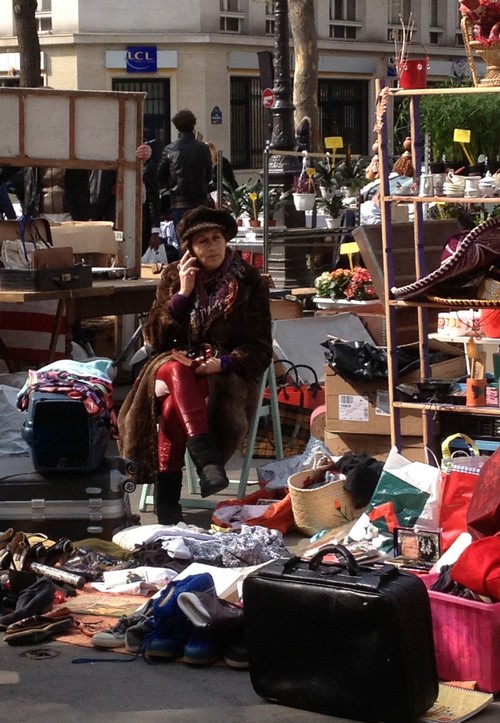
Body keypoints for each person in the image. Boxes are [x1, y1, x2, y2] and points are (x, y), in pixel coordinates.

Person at [117, 206, 273, 524]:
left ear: (227, 240)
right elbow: (156, 338)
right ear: (190, 249)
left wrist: (225, 363)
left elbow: (260, 347)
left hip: (221, 370)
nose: (212, 245)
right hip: (171, 360)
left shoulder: (249, 279)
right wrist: (184, 294)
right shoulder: (174, 275)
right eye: (202, 241)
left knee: (174, 407)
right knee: (176, 370)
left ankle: (168, 501)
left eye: (217, 238)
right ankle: (207, 462)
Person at [157, 109, 213, 228]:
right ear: (193, 125)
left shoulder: (170, 149)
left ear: (177, 127)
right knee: (199, 235)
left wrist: (170, 188)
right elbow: (209, 175)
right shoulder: (203, 148)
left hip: (179, 201)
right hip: (199, 200)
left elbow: (161, 176)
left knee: (182, 238)